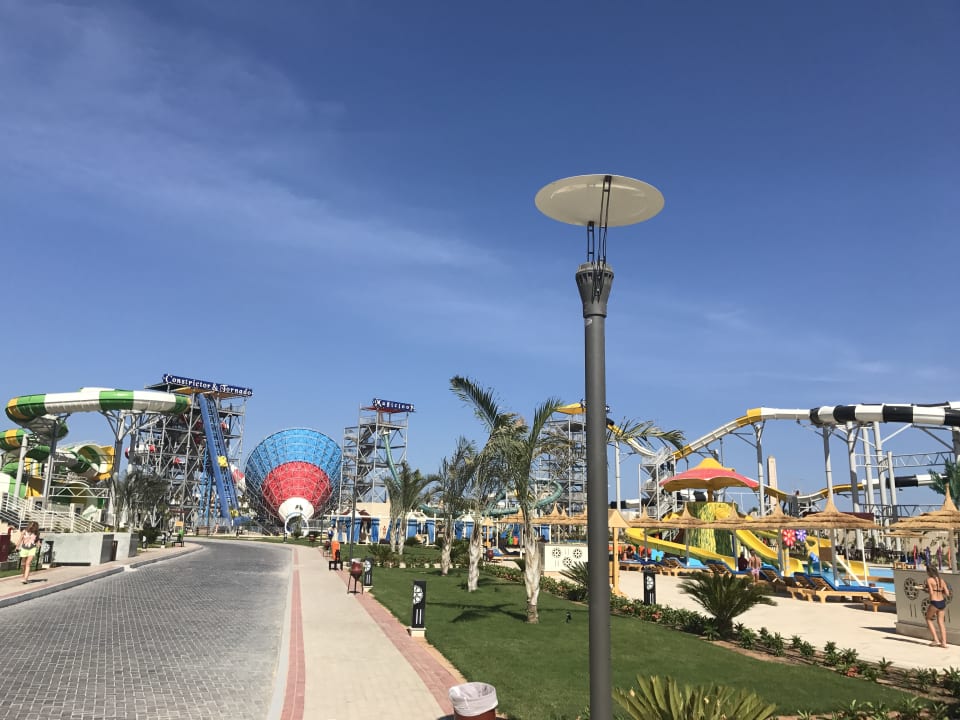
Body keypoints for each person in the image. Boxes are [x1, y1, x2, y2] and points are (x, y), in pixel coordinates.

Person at [924, 563, 951, 648]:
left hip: (934, 602)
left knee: (928, 618)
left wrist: (925, 589)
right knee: (941, 623)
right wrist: (939, 591)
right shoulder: (941, 580)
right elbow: (947, 593)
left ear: (929, 572)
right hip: (942, 602)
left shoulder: (929, 580)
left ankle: (936, 640)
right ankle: (944, 643)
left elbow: (931, 593)